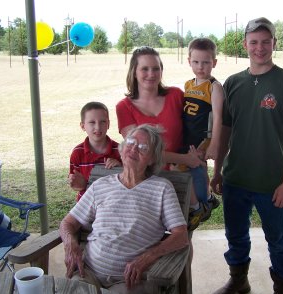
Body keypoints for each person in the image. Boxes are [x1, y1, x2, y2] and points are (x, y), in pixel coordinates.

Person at [210, 17, 283, 294]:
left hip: (272, 183)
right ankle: (238, 281)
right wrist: (218, 171)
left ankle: (282, 289)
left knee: (278, 241)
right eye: (253, 42)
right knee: (236, 236)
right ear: (245, 45)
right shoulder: (233, 83)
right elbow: (225, 133)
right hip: (235, 180)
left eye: (265, 42)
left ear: (274, 44)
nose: (259, 48)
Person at [60, 124, 189, 294]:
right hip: (87, 272)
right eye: (130, 141)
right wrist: (70, 244)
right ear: (121, 148)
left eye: (143, 147)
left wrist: (148, 257)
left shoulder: (161, 188)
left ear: (152, 159)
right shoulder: (101, 185)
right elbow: (68, 223)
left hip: (129, 281)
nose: (134, 148)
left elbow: (181, 235)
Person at [116, 46, 209, 231]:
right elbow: (140, 152)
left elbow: (198, 124)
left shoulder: (176, 95)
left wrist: (202, 150)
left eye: (156, 68)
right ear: (134, 72)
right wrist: (185, 159)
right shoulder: (124, 107)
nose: (151, 74)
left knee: (183, 238)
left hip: (183, 178)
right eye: (145, 69)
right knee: (150, 237)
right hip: (147, 183)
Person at [176, 37, 224, 224]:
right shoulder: (188, 84)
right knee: (192, 167)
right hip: (189, 135)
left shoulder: (214, 87)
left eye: (206, 62)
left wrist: (214, 145)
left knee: (194, 167)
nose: (200, 66)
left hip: (203, 137)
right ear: (189, 61)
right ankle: (207, 199)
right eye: (196, 62)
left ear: (214, 63)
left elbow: (219, 118)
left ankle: (201, 205)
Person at [68, 102, 122, 201]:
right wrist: (79, 183)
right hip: (85, 205)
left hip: (113, 203)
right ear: (83, 126)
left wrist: (120, 168)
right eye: (92, 122)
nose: (98, 127)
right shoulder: (77, 153)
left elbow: (128, 181)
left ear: (108, 124)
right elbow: (75, 184)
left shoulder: (121, 151)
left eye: (103, 122)